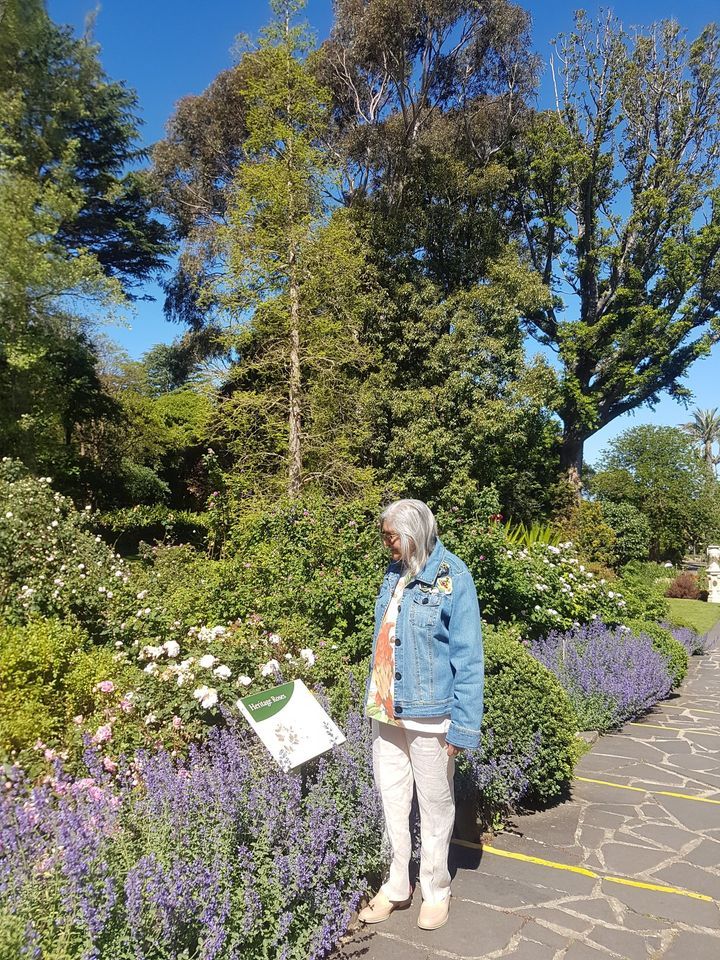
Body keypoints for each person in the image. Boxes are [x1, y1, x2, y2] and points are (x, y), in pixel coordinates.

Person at [358, 498, 484, 931]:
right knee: (393, 800)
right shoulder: (394, 574)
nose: (387, 545)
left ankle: (436, 889)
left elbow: (468, 658)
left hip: (431, 714)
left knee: (434, 805)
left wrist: (464, 725)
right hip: (386, 707)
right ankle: (397, 885)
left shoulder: (453, 577)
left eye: (391, 537)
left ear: (413, 533)